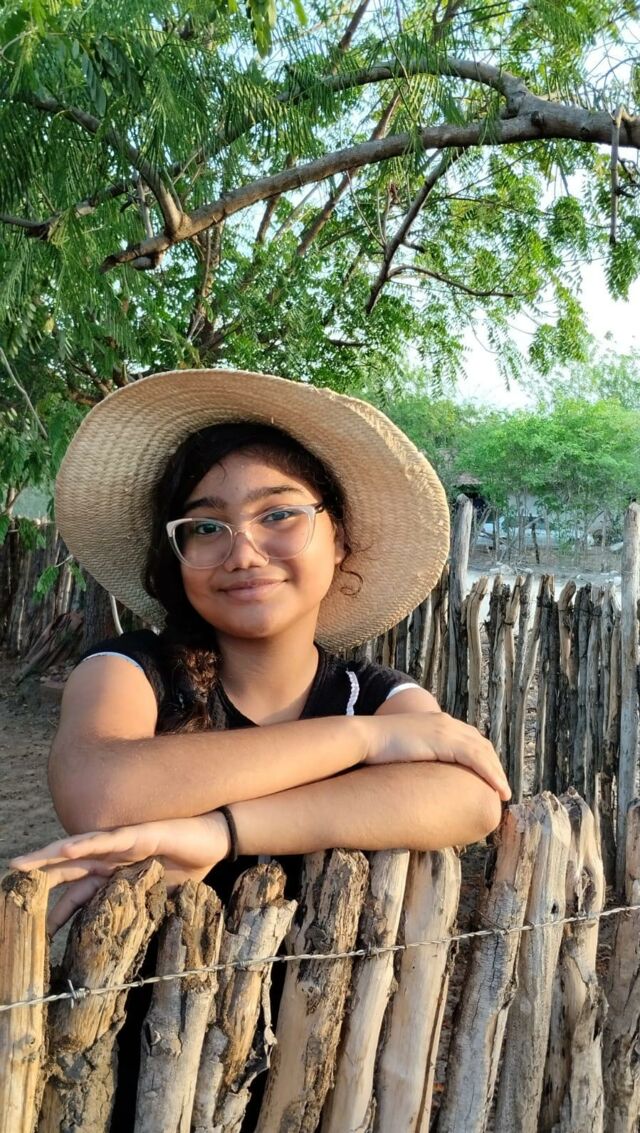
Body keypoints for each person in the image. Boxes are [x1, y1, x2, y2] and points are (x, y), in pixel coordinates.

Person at [10, 367, 510, 1126]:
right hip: (134, 1064)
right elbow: (99, 789)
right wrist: (363, 740)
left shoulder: (374, 691)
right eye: (205, 527)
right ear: (177, 556)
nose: (242, 551)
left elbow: (470, 798)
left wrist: (221, 831)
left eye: (279, 514)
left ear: (339, 539)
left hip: (323, 1068)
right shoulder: (132, 671)